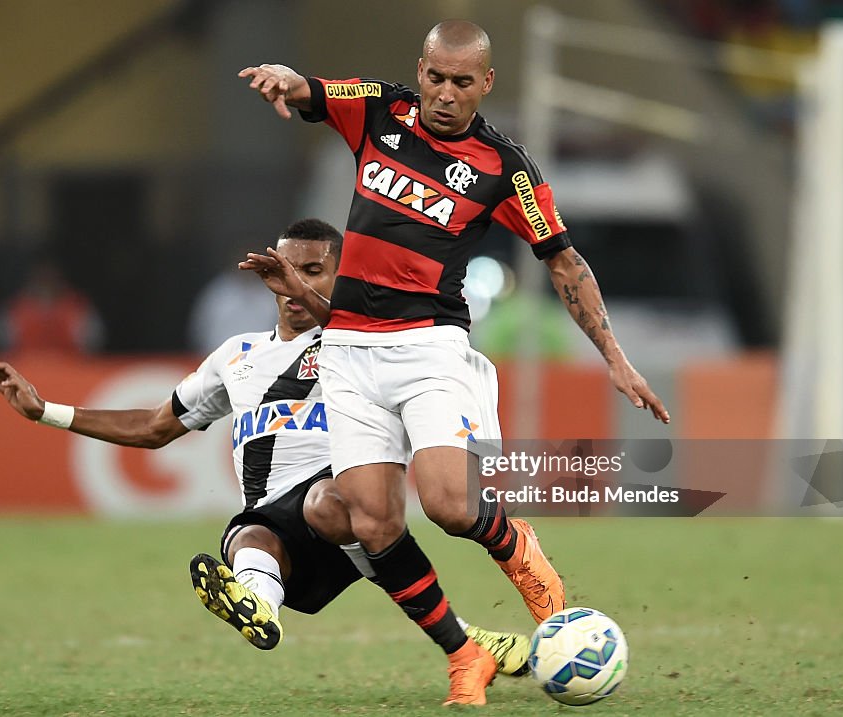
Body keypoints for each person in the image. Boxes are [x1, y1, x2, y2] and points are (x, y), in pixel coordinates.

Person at [238, 19, 670, 705]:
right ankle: (464, 655)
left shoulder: (506, 167)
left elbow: (563, 260)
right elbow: (311, 90)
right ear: (422, 68)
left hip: (429, 347)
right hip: (349, 352)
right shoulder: (380, 108)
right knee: (372, 521)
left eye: (461, 81)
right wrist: (280, 80)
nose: (443, 93)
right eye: (435, 76)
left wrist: (615, 358)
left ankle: (518, 547)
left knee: (447, 503)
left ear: (486, 83)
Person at [0, 218, 533, 686]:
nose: (293, 286)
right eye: (285, 273)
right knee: (250, 536)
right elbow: (152, 427)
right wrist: (43, 410)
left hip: (350, 501)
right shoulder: (236, 357)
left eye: (313, 272)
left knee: (326, 500)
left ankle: (456, 634)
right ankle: (258, 607)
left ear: (343, 276)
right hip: (285, 526)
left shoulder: (367, 344)